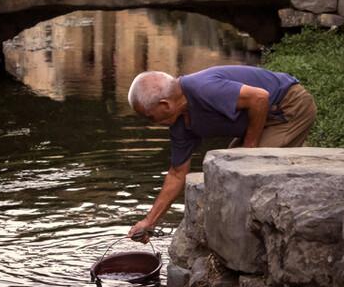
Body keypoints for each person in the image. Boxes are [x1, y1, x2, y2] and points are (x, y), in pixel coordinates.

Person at [126, 65, 316, 242]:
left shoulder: (203, 88)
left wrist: (250, 148)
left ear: (165, 105)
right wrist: (149, 222)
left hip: (288, 108)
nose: (150, 122)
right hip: (261, 118)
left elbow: (259, 97)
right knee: (225, 176)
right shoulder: (179, 124)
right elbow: (177, 174)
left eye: (149, 116)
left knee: (245, 171)